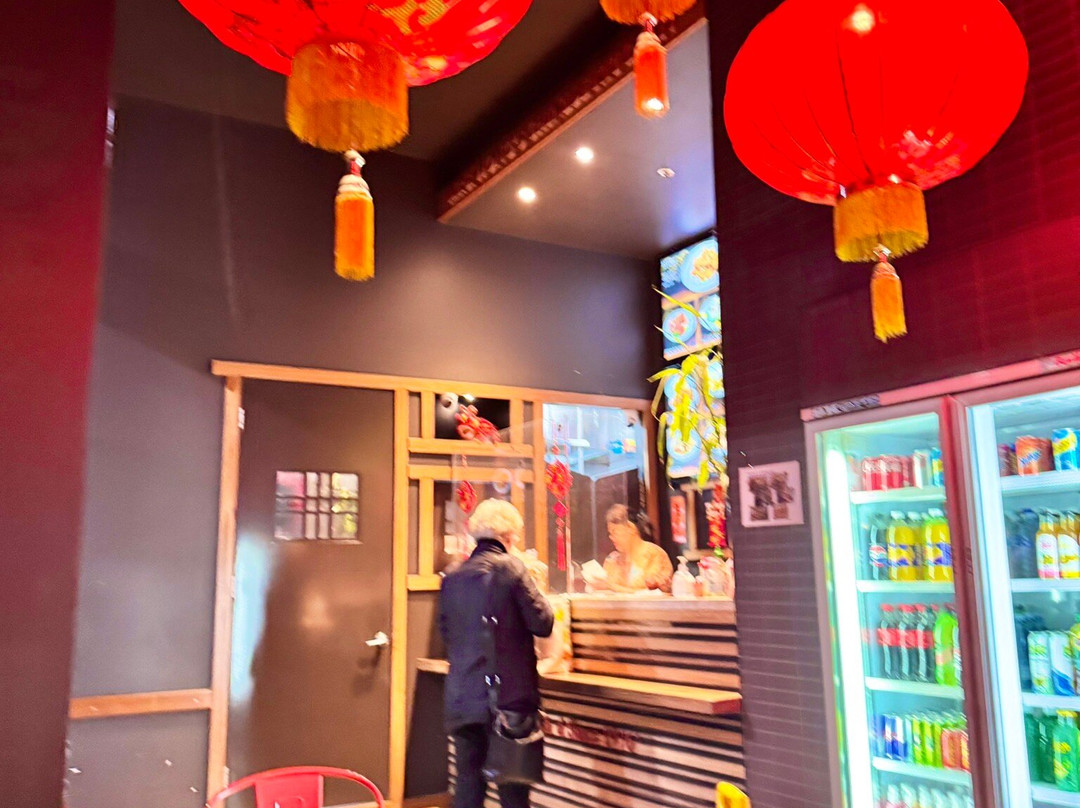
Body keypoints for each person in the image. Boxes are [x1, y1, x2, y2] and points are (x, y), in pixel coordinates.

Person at [439, 499, 554, 808]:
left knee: (467, 788)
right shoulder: (512, 568)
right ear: (510, 535)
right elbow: (543, 623)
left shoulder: (453, 577)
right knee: (513, 792)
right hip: (507, 700)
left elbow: (447, 634)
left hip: (463, 698)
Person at [600, 503, 673, 593]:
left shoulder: (654, 554)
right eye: (610, 533)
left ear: (631, 528)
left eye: (615, 531)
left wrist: (612, 587)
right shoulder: (612, 559)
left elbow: (652, 594)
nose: (611, 537)